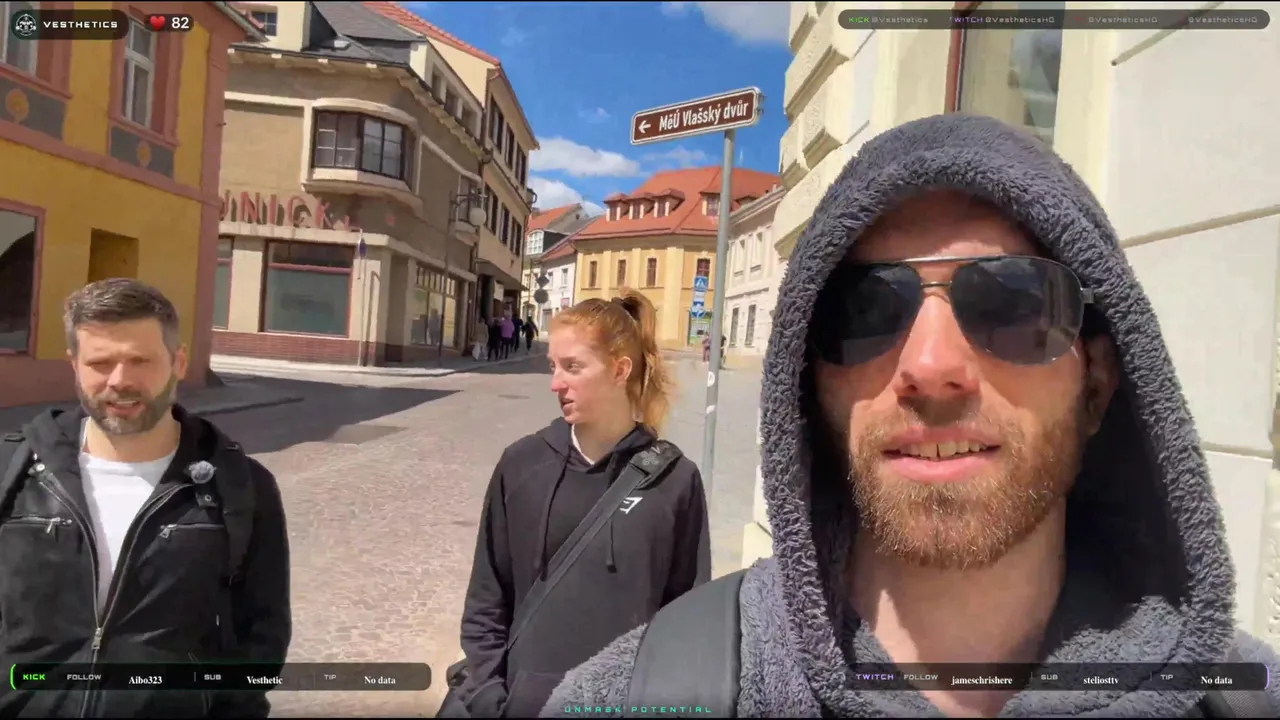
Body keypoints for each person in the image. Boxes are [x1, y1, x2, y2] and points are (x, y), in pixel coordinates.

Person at [542, 114, 1280, 717]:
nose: (930, 367)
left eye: (1015, 301)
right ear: (811, 382)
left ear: (1097, 382)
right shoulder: (633, 696)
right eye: (865, 309)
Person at [0, 278, 292, 718]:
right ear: (74, 365)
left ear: (178, 362)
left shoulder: (240, 487)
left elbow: (260, 643)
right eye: (100, 363)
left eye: (140, 361)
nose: (120, 381)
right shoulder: (13, 471)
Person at [447, 289, 710, 718]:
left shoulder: (676, 481)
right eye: (553, 367)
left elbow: (687, 623)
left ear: (620, 370)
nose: (556, 383)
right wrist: (490, 700)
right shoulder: (521, 465)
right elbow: (486, 601)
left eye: (572, 367)